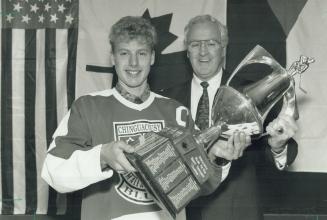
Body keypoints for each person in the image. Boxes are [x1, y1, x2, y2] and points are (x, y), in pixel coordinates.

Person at [41, 16, 250, 220]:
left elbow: (199, 186)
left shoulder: (176, 111)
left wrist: (216, 157)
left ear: (152, 58)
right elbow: (53, 172)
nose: (133, 63)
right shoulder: (88, 107)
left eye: (141, 53)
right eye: (124, 53)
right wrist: (102, 156)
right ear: (113, 58)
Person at [158, 15, 298, 220]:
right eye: (195, 44)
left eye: (211, 43)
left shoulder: (251, 94)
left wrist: (278, 145)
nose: (203, 51)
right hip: (182, 213)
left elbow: (284, 146)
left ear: (223, 47)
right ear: (187, 51)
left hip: (238, 212)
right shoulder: (167, 99)